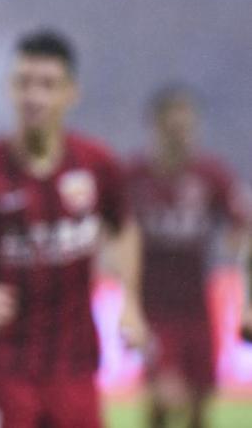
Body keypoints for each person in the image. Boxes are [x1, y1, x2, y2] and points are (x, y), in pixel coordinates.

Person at [0, 29, 148, 428]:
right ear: (9, 89)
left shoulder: (97, 165)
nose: (34, 96)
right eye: (24, 83)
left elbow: (125, 229)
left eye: (47, 85)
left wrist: (130, 302)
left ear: (71, 93)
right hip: (6, 367)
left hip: (76, 365)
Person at [125, 84, 252, 428]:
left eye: (186, 128)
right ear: (155, 127)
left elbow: (242, 227)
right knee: (162, 401)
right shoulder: (134, 177)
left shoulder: (211, 175)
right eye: (172, 128)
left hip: (197, 308)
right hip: (153, 309)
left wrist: (236, 247)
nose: (180, 136)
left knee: (200, 407)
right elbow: (113, 231)